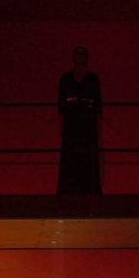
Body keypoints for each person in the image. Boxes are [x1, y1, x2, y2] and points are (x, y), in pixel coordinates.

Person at [56, 47, 102, 194]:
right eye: (78, 56)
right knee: (71, 160)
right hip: (72, 127)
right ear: (73, 59)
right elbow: (61, 106)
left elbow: (97, 105)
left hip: (88, 127)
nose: (80, 59)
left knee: (88, 160)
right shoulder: (66, 79)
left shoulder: (93, 80)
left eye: (83, 56)